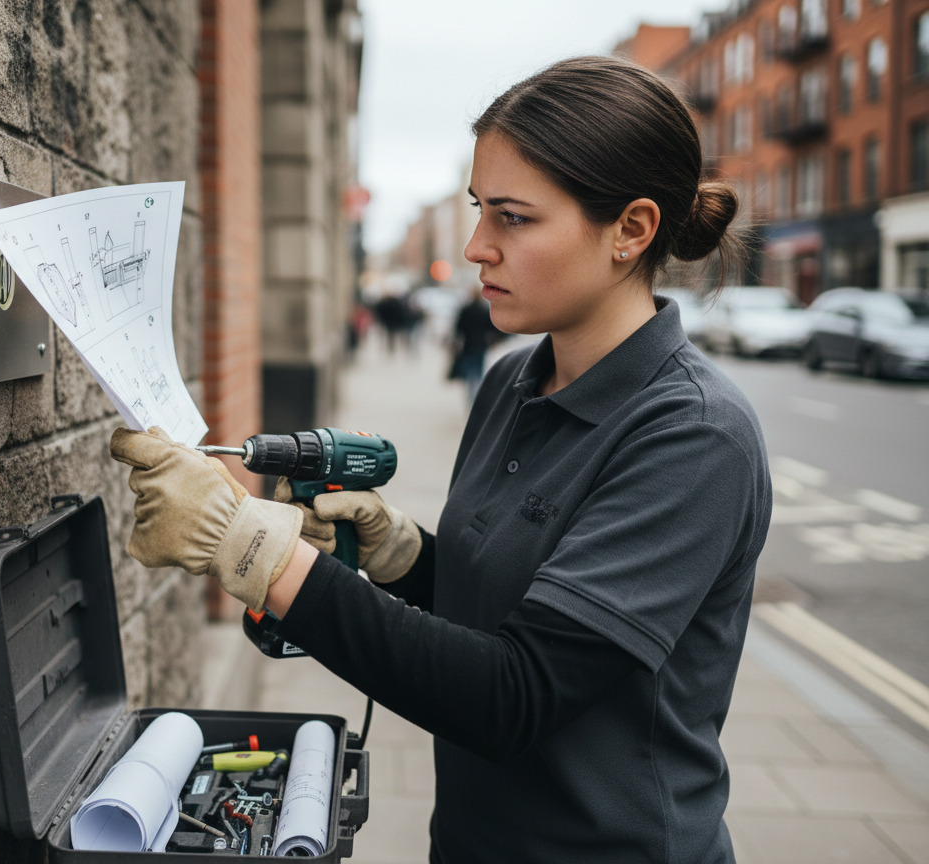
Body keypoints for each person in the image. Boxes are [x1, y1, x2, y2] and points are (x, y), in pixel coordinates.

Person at [109, 55, 770, 863]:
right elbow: (499, 609)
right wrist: (403, 557)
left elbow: (514, 695)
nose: (474, 247)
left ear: (631, 231)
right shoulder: (509, 383)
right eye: (477, 209)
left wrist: (251, 549)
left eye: (514, 218)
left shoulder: (694, 437)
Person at [449, 289, 501, 403]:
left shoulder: (466, 310)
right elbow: (492, 327)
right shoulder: (484, 310)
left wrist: (456, 341)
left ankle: (470, 397)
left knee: (468, 371)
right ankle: (477, 396)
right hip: (481, 345)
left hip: (468, 344)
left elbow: (458, 328)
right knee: (478, 371)